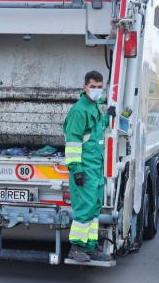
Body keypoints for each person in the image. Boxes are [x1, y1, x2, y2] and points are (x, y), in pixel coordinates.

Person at [63, 70, 116, 262]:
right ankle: (76, 248)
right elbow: (73, 142)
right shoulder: (79, 110)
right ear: (85, 87)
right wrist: (76, 170)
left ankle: (89, 246)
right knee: (85, 209)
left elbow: (94, 130)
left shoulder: (94, 108)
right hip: (84, 169)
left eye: (99, 87)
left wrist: (107, 117)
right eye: (92, 87)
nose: (96, 90)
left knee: (94, 209)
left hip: (94, 169)